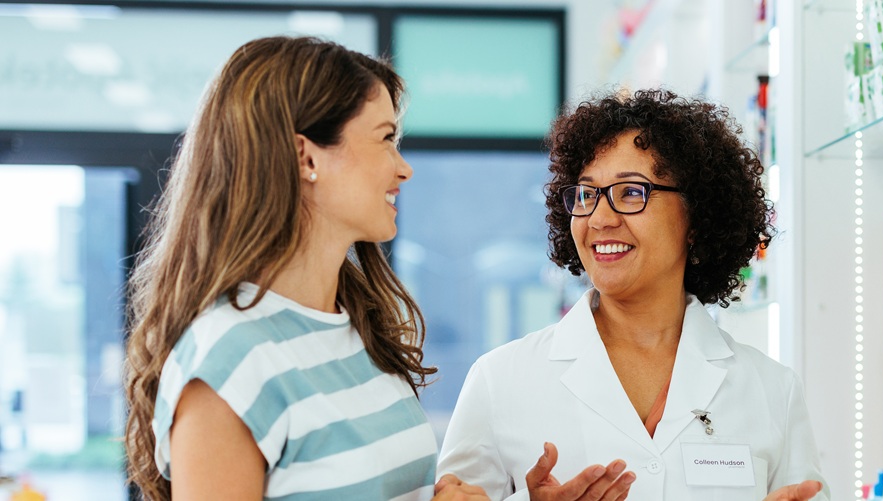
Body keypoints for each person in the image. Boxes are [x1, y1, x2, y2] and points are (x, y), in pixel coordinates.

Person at [120, 37, 632, 501]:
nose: (402, 166)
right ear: (306, 158)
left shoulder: (357, 328)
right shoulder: (227, 360)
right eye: (385, 138)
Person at [436, 89, 827, 501]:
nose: (600, 218)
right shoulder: (500, 381)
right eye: (586, 195)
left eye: (631, 192)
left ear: (697, 217)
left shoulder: (772, 391)